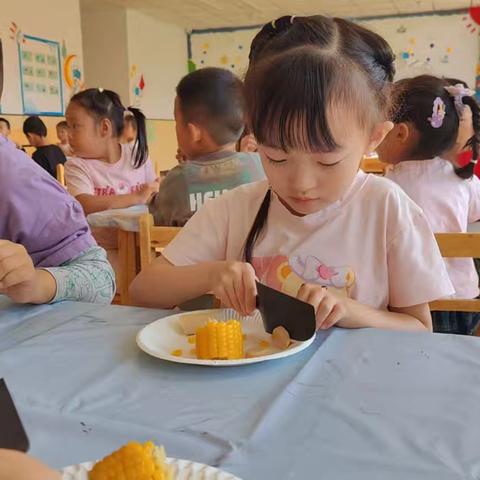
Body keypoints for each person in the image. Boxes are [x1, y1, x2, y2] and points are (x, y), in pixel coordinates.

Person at [130, 15, 453, 332]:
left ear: (374, 137)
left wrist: (352, 311)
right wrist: (212, 275)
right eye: (276, 157)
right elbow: (143, 291)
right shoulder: (236, 209)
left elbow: (419, 327)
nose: (301, 184)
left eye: (327, 162)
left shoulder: (386, 208)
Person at [377, 75, 480, 334]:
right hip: (466, 303)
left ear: (399, 133)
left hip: (412, 308)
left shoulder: (387, 188)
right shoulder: (462, 177)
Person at [0, 135, 115, 304]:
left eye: (76, 126)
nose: (70, 134)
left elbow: (101, 279)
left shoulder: (13, 179)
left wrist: (37, 284)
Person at [149, 67, 264, 226]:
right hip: (251, 251)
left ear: (194, 133)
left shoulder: (175, 181)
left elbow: (157, 219)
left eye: (177, 122)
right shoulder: (260, 167)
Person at [64, 88, 159, 215]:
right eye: (68, 126)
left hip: (140, 234)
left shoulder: (137, 156)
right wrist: (136, 197)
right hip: (97, 235)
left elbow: (154, 193)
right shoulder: (76, 165)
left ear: (104, 128)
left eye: (75, 126)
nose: (68, 134)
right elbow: (83, 203)